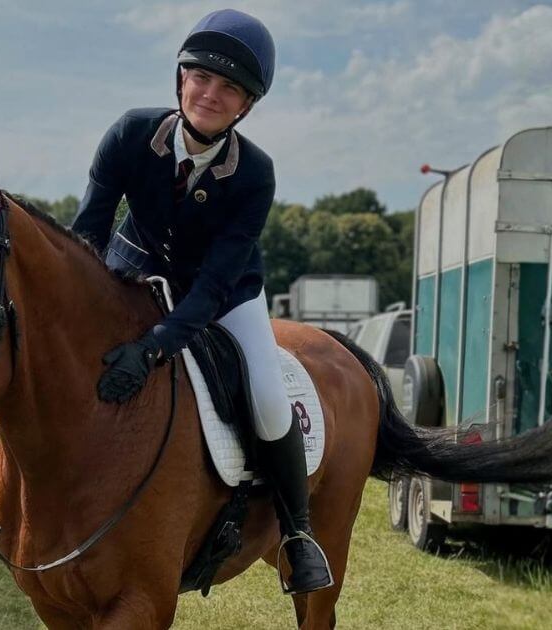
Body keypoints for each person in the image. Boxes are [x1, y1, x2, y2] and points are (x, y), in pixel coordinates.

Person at [71, 9, 333, 594]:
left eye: (230, 88)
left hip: (224, 292)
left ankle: (297, 533)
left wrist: (155, 348)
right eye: (202, 78)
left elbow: (212, 286)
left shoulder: (256, 174)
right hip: (132, 267)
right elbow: (86, 233)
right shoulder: (130, 133)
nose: (211, 94)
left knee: (267, 397)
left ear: (246, 105)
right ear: (180, 80)